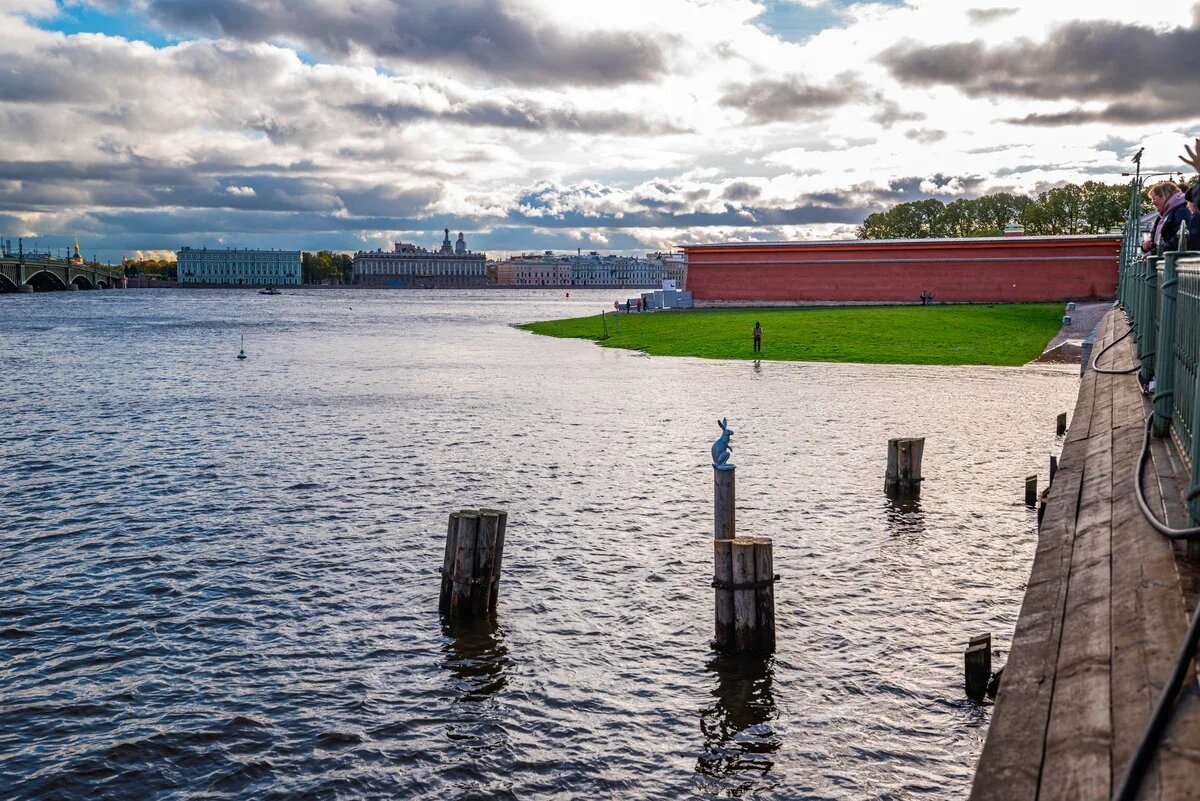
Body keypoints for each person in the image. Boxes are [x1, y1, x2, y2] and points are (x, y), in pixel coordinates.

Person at [1143, 181, 1191, 255]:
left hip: (1172, 262)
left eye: (1154, 198)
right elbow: (1153, 241)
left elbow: (1179, 239)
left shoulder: (1181, 211)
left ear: (1164, 196)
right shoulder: (1160, 218)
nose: (1152, 202)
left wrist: (1154, 252)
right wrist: (1145, 246)